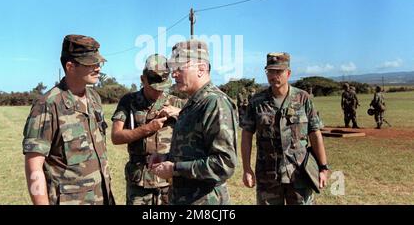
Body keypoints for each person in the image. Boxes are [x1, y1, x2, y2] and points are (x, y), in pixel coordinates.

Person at [22, 34, 114, 205]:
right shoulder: (48, 105)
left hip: (103, 197)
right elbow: (34, 166)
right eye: (90, 63)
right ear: (70, 66)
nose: (98, 68)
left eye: (98, 63)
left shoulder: (94, 99)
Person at [149, 39, 238, 205]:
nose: (174, 74)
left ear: (201, 69)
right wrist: (167, 158)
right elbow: (193, 151)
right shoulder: (193, 103)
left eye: (179, 68)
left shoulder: (214, 103)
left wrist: (175, 169)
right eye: (173, 69)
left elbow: (224, 164)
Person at [240, 52, 329, 205]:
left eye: (278, 71)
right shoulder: (257, 102)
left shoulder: (302, 98)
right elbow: (246, 135)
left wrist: (323, 167)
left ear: (288, 73)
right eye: (270, 71)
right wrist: (247, 169)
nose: (274, 76)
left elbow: (315, 133)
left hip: (300, 173)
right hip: (268, 176)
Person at [111, 54, 185, 205]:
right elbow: (116, 136)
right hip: (139, 180)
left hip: (168, 179)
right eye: (154, 88)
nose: (159, 92)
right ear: (142, 79)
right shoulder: (129, 101)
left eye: (163, 88)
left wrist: (179, 113)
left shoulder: (176, 102)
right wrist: (147, 128)